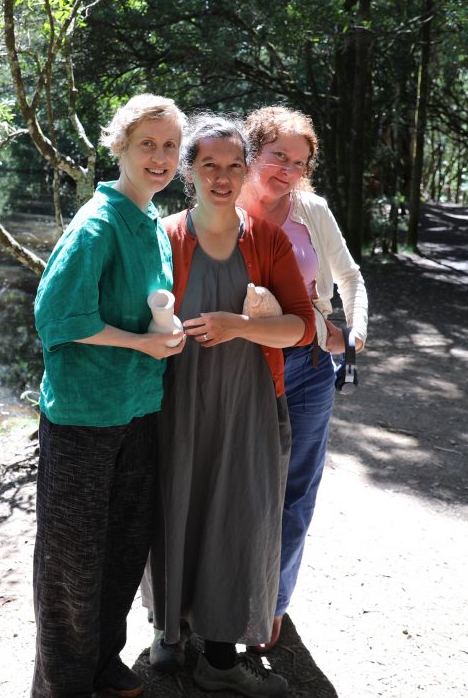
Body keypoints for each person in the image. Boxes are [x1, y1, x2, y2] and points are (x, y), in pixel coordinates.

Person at [145, 114, 315, 698]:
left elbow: (302, 328)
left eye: (233, 166)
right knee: (174, 509)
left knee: (237, 520)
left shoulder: (265, 240)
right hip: (176, 404)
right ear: (189, 171)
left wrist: (240, 326)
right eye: (209, 166)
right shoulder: (163, 236)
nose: (222, 177)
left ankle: (219, 659)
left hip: (247, 406)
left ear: (246, 172)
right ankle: (171, 633)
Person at [31, 93, 188, 698]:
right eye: (147, 143)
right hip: (84, 416)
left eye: (170, 146)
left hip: (139, 410)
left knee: (124, 547)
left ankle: (101, 662)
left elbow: (146, 309)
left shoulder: (150, 223)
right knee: (71, 560)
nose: (160, 156)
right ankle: (63, 683)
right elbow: (57, 317)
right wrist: (140, 345)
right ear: (119, 145)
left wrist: (164, 337)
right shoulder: (97, 222)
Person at [239, 106, 369, 650]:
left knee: (296, 489)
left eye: (299, 161)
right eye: (278, 157)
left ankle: (274, 603)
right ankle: (221, 601)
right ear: (251, 153)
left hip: (311, 368)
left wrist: (353, 336)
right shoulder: (220, 202)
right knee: (236, 486)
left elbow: (349, 277)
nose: (288, 170)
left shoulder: (311, 210)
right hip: (242, 365)